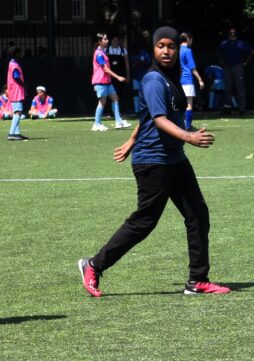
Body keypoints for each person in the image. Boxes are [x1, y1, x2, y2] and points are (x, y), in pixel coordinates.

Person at [78, 26, 229, 298]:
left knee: (198, 214)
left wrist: (130, 140)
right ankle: (93, 265)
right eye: (161, 46)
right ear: (154, 50)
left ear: (178, 49)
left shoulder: (171, 77)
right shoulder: (153, 80)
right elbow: (158, 120)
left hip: (174, 158)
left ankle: (197, 280)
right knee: (144, 221)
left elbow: (147, 116)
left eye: (171, 46)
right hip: (153, 161)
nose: (166, 51)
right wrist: (189, 137)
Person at [91, 33, 130, 131]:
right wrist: (118, 77)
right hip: (100, 81)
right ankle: (96, 124)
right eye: (105, 39)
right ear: (100, 41)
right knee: (102, 102)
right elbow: (105, 69)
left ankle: (118, 121)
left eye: (107, 38)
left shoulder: (103, 52)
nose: (107, 40)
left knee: (115, 99)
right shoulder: (99, 54)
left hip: (107, 81)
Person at [217, 27, 252, 115]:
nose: (232, 35)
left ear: (236, 34)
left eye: (234, 33)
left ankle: (242, 108)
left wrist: (246, 62)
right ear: (228, 34)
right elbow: (218, 52)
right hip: (227, 67)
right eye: (230, 33)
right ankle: (228, 108)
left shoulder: (241, 43)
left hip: (237, 67)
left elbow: (251, 52)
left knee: (240, 88)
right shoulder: (224, 43)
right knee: (227, 88)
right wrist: (221, 60)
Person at [179, 32, 205, 131]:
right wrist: (200, 80)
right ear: (188, 39)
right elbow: (193, 69)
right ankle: (187, 126)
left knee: (179, 104)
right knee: (189, 104)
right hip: (187, 79)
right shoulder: (188, 51)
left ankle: (180, 124)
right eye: (191, 39)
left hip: (178, 80)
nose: (192, 42)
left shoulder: (176, 50)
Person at [6, 46, 28, 140]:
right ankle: (11, 133)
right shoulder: (14, 65)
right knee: (18, 112)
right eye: (19, 52)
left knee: (16, 112)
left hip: (14, 90)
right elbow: (16, 77)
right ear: (15, 53)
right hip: (16, 90)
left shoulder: (12, 63)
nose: (20, 54)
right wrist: (24, 85)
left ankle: (16, 133)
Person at [107, 35, 131, 113]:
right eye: (114, 40)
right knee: (111, 93)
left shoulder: (123, 50)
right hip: (110, 75)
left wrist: (128, 75)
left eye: (117, 40)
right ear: (111, 41)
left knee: (121, 93)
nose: (116, 42)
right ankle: (111, 112)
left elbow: (127, 63)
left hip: (121, 75)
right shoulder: (106, 50)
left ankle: (120, 111)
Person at [129, 42, 151, 113]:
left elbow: (148, 62)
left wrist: (140, 62)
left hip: (144, 76)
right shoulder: (133, 54)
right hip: (135, 77)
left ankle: (145, 109)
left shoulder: (144, 53)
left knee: (144, 92)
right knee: (136, 93)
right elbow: (132, 64)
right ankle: (136, 110)